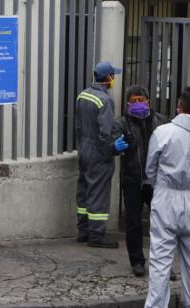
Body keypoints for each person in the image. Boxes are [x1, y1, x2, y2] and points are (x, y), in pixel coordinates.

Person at [144, 86, 190, 308]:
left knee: (160, 261)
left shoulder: (163, 132)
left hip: (167, 197)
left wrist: (163, 184)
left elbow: (150, 169)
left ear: (179, 105)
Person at [112, 85, 167, 276]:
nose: (137, 104)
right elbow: (110, 143)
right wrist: (114, 147)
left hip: (157, 182)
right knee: (133, 222)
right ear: (128, 104)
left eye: (140, 100)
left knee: (161, 223)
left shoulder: (161, 122)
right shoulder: (122, 123)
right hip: (132, 179)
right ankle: (137, 261)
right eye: (133, 101)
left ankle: (162, 264)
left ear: (148, 102)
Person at [75, 61, 126, 249]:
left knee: (84, 190)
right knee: (98, 192)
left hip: (84, 148)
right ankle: (96, 235)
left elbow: (78, 125)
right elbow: (105, 133)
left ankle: (83, 231)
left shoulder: (83, 95)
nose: (114, 80)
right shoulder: (105, 100)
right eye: (114, 76)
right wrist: (114, 148)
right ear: (108, 78)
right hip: (98, 152)